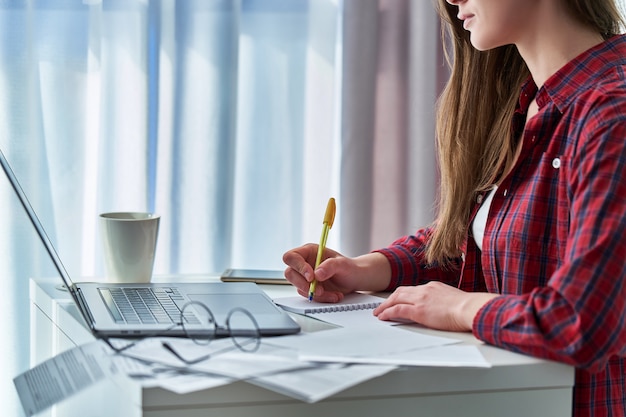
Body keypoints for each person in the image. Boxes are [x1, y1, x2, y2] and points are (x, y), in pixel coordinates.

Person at [282, 0, 626, 416]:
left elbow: (581, 321)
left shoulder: (613, 112)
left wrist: (460, 307)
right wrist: (370, 268)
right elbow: (486, 241)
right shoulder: (529, 104)